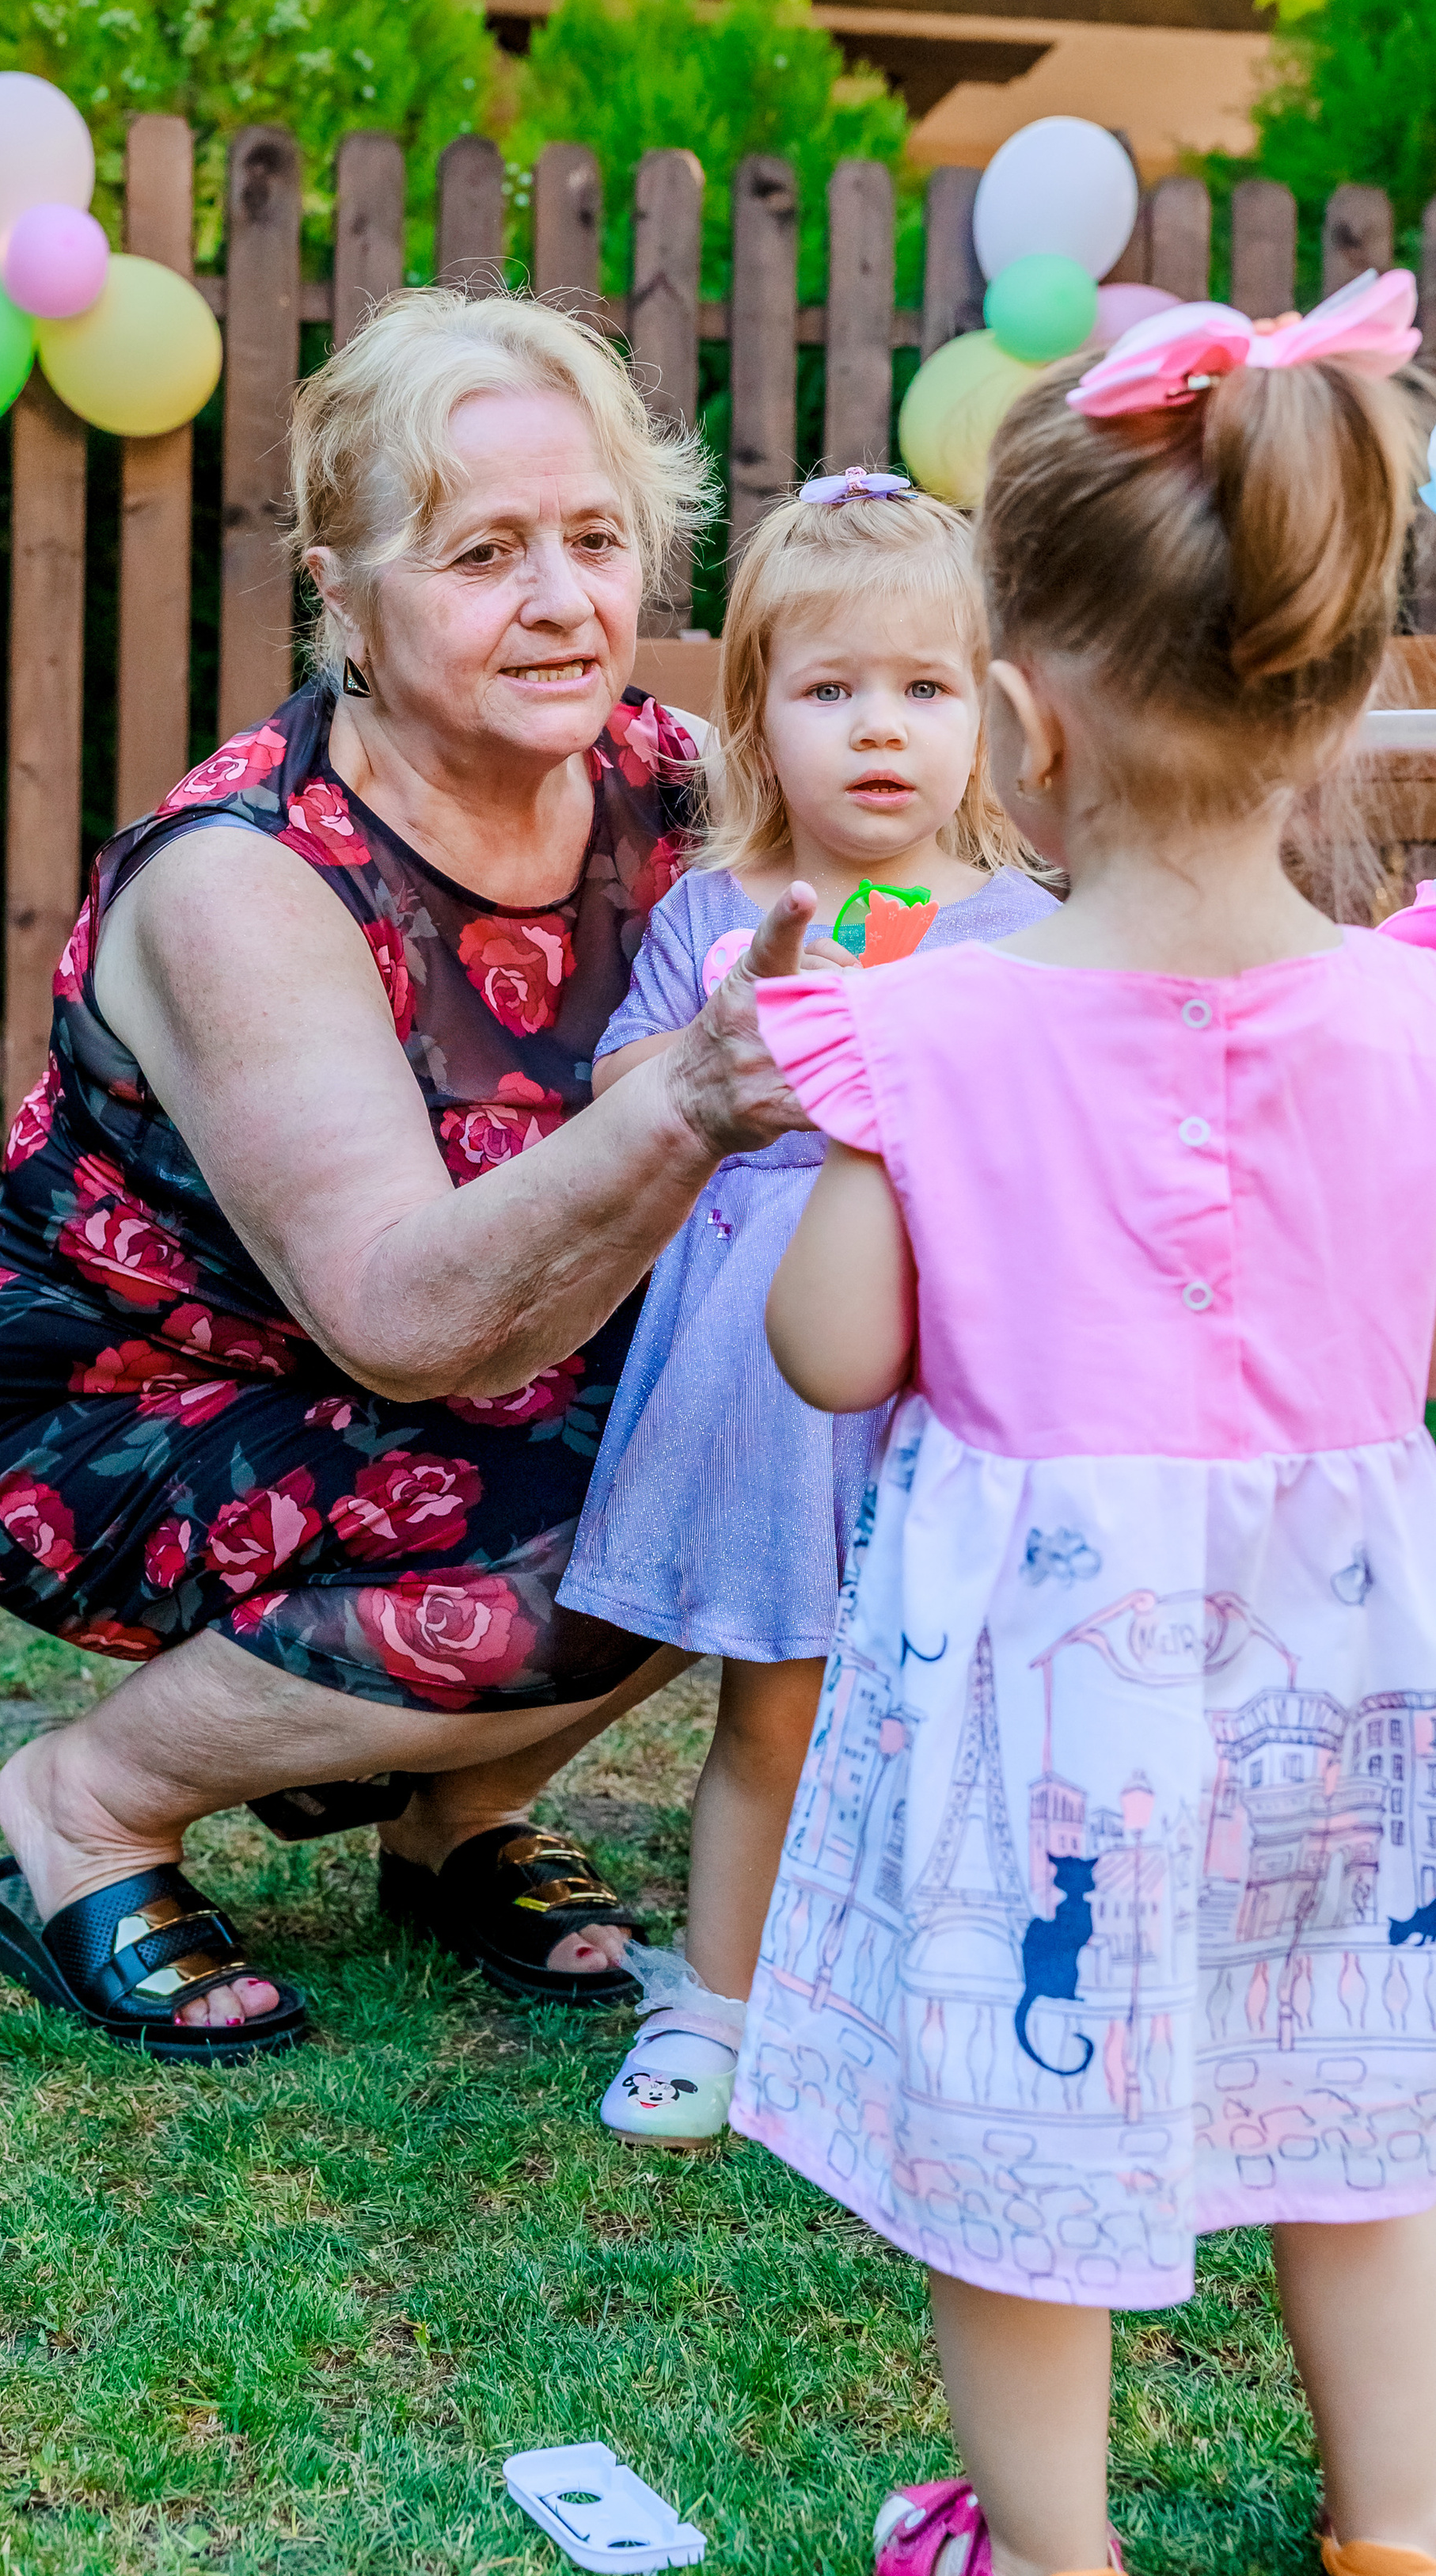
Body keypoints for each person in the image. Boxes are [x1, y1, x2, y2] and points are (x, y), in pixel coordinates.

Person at [0, 287, 819, 2066]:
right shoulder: (245, 876)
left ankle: (452, 1818)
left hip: (459, 1369)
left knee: (773, 1439)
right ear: (342, 594)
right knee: (590, 1546)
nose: (560, 602)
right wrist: (690, 1099)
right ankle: (83, 1811)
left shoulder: (666, 784)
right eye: (483, 553)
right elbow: (398, 1317)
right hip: (126, 1397)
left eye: (595, 539)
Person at [738, 272, 1436, 2576]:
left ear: (1018, 720)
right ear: (1345, 697)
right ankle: (1396, 2524)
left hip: (1049, 1680)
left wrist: (872, 1134)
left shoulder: (929, 1026)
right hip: (1352, 1653)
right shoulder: (1413, 1020)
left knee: (1029, 2124)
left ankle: (1053, 2551)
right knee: (1361, 2104)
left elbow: (835, 1358)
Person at [557, 470, 1057, 2149]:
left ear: (989, 717)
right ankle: (717, 1999)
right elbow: (625, 1083)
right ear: (757, 717)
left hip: (948, 1375)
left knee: (960, 1705)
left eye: (922, 690)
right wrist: (733, 1042)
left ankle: (931, 2001)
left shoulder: (1023, 934)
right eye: (829, 688)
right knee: (772, 1702)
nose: (877, 730)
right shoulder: (718, 914)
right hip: (763, 1382)